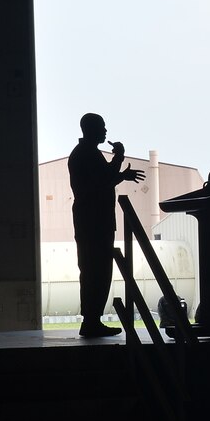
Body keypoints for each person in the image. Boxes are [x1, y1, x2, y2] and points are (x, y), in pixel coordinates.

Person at [68, 113, 145, 337]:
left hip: (90, 221)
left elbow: (103, 179)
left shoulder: (84, 153)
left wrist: (119, 171)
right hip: (95, 222)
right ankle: (92, 321)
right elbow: (102, 182)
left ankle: (92, 320)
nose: (105, 131)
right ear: (91, 129)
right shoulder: (87, 154)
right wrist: (119, 159)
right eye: (102, 127)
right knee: (97, 271)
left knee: (93, 271)